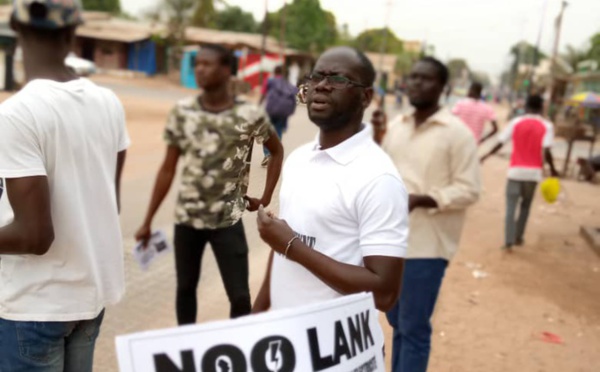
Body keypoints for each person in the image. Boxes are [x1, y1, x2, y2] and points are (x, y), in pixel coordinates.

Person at [0, 0, 129, 370]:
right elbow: (109, 203)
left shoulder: (16, 114)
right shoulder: (108, 102)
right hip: (89, 302)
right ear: (73, 34)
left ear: (17, 30)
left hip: (34, 308)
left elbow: (35, 236)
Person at [253, 47, 408, 315]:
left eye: (337, 79)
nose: (321, 86)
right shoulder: (299, 159)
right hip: (283, 339)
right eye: (315, 77)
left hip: (335, 351)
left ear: (366, 97)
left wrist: (293, 247)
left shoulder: (379, 179)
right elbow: (282, 247)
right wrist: (255, 316)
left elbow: (384, 293)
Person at [135, 44, 284, 325]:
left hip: (228, 221)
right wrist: (147, 220)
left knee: (240, 296)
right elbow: (168, 168)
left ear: (227, 70)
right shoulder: (183, 112)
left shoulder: (251, 115)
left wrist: (263, 199)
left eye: (207, 64)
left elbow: (276, 151)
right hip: (188, 220)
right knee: (186, 290)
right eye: (197, 64)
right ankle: (187, 351)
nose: (200, 69)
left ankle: (236, 352)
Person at [372, 57, 481, 372]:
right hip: (389, 242)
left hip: (427, 246)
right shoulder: (397, 127)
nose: (417, 83)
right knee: (396, 322)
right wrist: (377, 139)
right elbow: (383, 170)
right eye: (414, 77)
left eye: (427, 79)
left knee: (414, 328)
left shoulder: (456, 134)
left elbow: (470, 188)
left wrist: (426, 199)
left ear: (443, 88)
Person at [481, 95, 559, 250]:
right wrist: (553, 170)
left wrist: (485, 156)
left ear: (526, 106)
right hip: (533, 174)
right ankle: (518, 237)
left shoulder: (516, 122)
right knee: (525, 206)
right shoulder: (547, 126)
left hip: (515, 172)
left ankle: (508, 240)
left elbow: (500, 142)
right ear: (541, 107)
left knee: (511, 207)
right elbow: (547, 151)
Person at [259, 65, 298, 167]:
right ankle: (274, 154)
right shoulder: (287, 83)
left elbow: (263, 93)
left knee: (267, 132)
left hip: (271, 110)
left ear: (274, 72)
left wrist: (259, 105)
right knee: (278, 131)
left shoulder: (270, 81)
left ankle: (267, 154)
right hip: (283, 112)